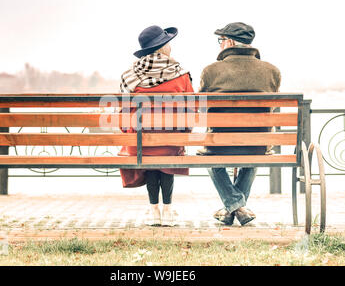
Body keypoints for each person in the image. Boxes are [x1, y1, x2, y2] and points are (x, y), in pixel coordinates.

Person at [198, 22, 281, 226]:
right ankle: (239, 208)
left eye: (221, 41)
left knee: (211, 160)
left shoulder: (211, 71)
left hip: (219, 145)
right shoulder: (272, 72)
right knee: (254, 154)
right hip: (257, 144)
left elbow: (200, 108)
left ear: (231, 42)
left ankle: (234, 207)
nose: (219, 45)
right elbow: (274, 107)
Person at [118, 25, 194, 226]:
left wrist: (129, 133)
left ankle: (154, 212)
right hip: (171, 140)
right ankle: (168, 210)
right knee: (165, 153)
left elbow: (124, 114)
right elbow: (192, 110)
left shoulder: (130, 76)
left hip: (140, 143)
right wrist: (184, 133)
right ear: (163, 47)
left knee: (149, 153)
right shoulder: (181, 74)